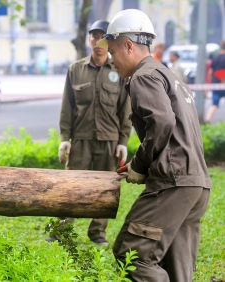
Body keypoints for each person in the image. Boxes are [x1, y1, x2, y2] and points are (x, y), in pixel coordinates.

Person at [97, 9, 212, 281]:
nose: (111, 60)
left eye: (113, 52)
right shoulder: (169, 76)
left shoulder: (143, 76)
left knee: (132, 253)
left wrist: (139, 164)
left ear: (128, 45)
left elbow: (161, 123)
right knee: (178, 268)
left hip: (173, 183)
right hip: (197, 184)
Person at [51, 20, 132, 247]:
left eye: (102, 37)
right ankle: (61, 230)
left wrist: (123, 141)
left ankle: (98, 232)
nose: (97, 41)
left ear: (109, 42)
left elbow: (125, 109)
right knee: (71, 186)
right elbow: (67, 106)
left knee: (105, 188)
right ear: (89, 39)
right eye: (93, 36)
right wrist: (64, 139)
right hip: (81, 140)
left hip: (109, 140)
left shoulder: (119, 70)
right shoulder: (75, 70)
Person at [205, 40, 225, 123]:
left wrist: (210, 84)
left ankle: (207, 120)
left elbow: (210, 73)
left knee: (214, 104)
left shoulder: (214, 58)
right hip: (223, 83)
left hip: (215, 84)